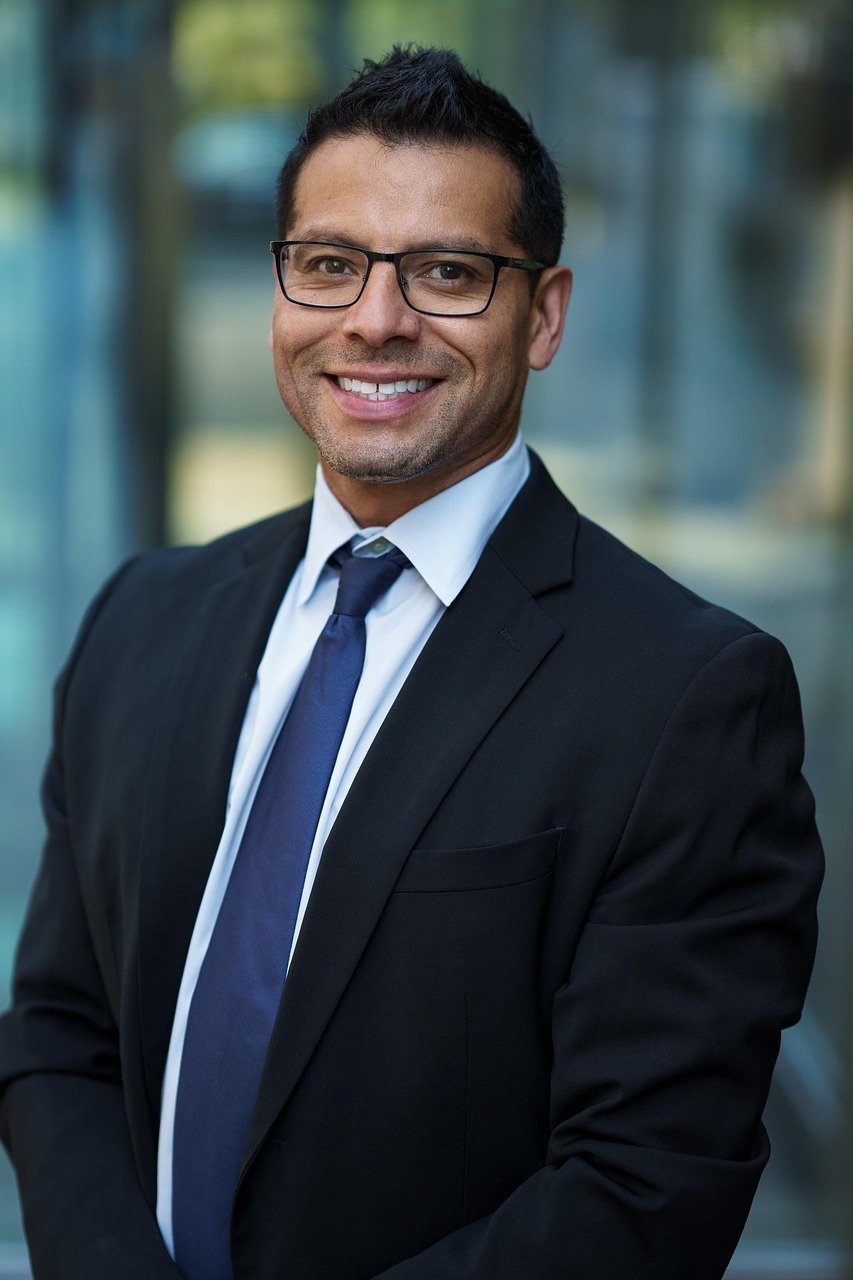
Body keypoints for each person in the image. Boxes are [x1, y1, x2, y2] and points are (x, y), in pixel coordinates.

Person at [0, 45, 822, 1280]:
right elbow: (60, 1031)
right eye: (328, 264)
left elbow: (643, 1188)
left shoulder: (688, 699)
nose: (375, 319)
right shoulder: (142, 621)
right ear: (280, 290)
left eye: (446, 272)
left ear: (540, 314)